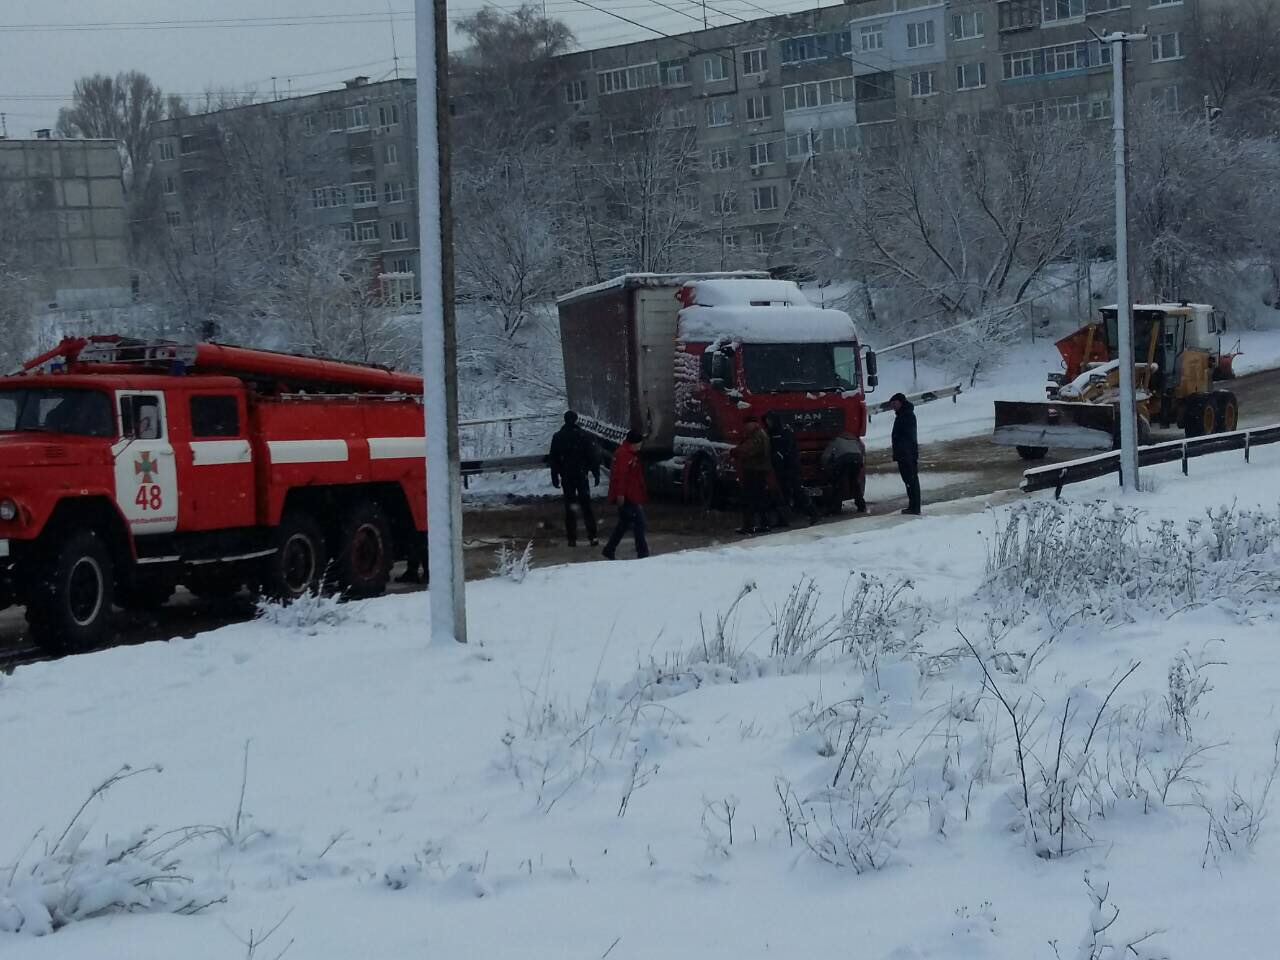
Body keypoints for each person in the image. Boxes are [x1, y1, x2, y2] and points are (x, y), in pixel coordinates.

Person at [549, 411, 601, 547]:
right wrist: (595, 473)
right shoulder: (584, 436)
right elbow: (592, 456)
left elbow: (553, 459)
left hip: (567, 476)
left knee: (570, 508)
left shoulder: (558, 437)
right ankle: (593, 536)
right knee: (586, 507)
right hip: (581, 475)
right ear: (576, 420)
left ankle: (572, 538)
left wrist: (555, 476)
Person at [602, 429, 650, 560]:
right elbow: (621, 476)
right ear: (634, 443)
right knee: (639, 523)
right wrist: (621, 494)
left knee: (624, 524)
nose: (640, 446)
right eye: (639, 444)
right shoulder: (625, 455)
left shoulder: (626, 453)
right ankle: (642, 552)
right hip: (628, 495)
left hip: (629, 494)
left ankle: (609, 548)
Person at [764, 412, 818, 526]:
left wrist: (780, 455)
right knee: (784, 493)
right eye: (767, 420)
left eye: (770, 420)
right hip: (780, 468)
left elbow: (789, 448)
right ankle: (784, 518)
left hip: (791, 467)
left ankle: (812, 513)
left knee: (798, 491)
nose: (768, 422)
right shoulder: (770, 432)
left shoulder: (785, 431)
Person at [733, 415, 774, 535]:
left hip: (754, 470)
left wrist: (734, 452)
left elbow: (749, 449)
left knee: (750, 498)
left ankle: (749, 526)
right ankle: (763, 524)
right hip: (759, 469)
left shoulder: (757, 435)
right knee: (759, 498)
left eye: (746, 424)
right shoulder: (760, 433)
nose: (744, 427)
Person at [820, 432, 867, 516]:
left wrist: (825, 467)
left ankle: (836, 507)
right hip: (857, 459)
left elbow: (826, 456)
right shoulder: (854, 440)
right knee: (854, 483)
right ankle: (861, 505)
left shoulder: (835, 441)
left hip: (844, 460)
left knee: (839, 484)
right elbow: (861, 450)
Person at [889, 393, 921, 515]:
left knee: (911, 481)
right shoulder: (903, 414)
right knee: (909, 481)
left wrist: (905, 453)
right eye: (892, 404)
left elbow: (908, 437)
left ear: (901, 402)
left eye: (894, 403)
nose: (893, 406)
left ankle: (914, 507)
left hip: (907, 454)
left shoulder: (906, 415)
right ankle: (913, 506)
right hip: (905, 454)